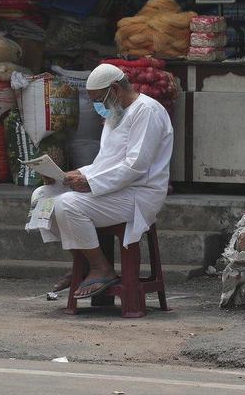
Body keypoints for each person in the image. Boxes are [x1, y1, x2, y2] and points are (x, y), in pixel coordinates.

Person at [31, 64, 174, 299]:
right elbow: (104, 163)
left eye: (100, 99)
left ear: (115, 90)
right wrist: (67, 174)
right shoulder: (115, 114)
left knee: (67, 204)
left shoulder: (146, 111)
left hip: (139, 194)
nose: (99, 106)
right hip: (112, 189)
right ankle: (83, 260)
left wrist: (90, 183)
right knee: (42, 196)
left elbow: (135, 166)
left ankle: (101, 268)